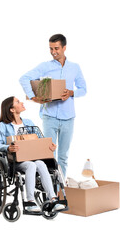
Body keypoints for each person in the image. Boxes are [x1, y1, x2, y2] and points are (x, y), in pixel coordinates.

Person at [19, 34, 87, 178]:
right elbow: (24, 78)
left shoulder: (75, 67)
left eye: (56, 48)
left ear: (64, 47)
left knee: (63, 157)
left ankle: (59, 187)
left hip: (68, 118)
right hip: (49, 116)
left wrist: (71, 93)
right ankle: (50, 191)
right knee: (49, 154)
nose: (53, 51)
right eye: (50, 48)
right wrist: (33, 97)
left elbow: (83, 89)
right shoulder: (45, 66)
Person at [0, 96, 65, 212]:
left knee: (41, 163)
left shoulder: (28, 123)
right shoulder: (3, 126)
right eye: (17, 102)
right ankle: (30, 201)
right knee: (31, 165)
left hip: (33, 158)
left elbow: (40, 140)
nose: (22, 103)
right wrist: (8, 147)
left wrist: (49, 146)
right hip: (15, 162)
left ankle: (53, 198)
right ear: (11, 109)